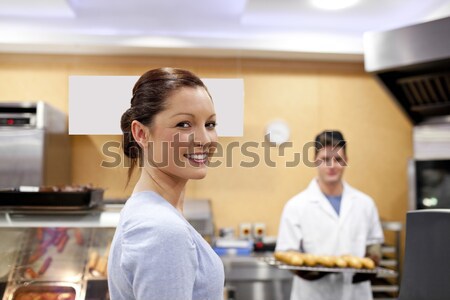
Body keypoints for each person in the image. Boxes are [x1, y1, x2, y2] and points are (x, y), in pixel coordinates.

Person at [107, 67, 224, 300]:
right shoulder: (162, 230)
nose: (204, 139)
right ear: (141, 134)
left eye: (209, 124)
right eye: (184, 124)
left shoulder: (151, 212)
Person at [276, 130, 384, 300]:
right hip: (313, 294)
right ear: (314, 160)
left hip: (356, 294)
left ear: (347, 161)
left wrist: (374, 258)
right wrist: (307, 271)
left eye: (338, 159)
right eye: (325, 159)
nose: (332, 165)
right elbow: (287, 251)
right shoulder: (296, 206)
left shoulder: (365, 203)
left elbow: (374, 243)